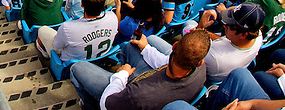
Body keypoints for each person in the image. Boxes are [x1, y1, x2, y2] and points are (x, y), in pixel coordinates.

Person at [69, 29, 210, 110]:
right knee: (131, 46)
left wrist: (122, 75)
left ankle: (90, 106)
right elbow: (166, 63)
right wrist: (146, 48)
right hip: (152, 87)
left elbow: (107, 103)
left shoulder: (138, 94)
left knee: (76, 68)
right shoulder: (201, 69)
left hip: (128, 95)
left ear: (174, 46)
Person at [36, 0, 118, 61]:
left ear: (82, 4)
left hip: (71, 66)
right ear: (104, 4)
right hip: (100, 59)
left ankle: (46, 55)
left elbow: (57, 45)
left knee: (42, 29)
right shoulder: (113, 18)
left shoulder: (67, 28)